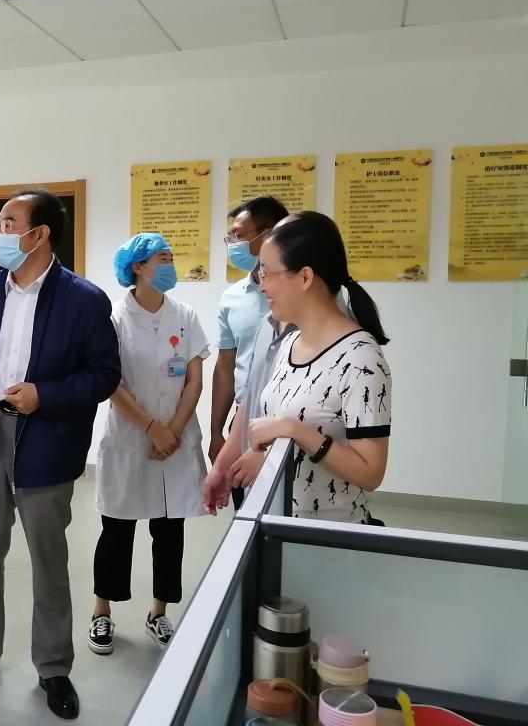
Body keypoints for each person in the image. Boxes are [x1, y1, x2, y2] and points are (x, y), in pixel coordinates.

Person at [0, 189, 120, 720]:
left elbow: (104, 375)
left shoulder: (84, 300)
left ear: (40, 234)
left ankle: (53, 667)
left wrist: (44, 395)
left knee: (49, 561)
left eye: (8, 223)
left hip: (47, 441)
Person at [88, 234, 209, 656]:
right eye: (163, 258)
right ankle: (102, 610)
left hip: (176, 438)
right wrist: (152, 429)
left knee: (169, 531)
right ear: (138, 267)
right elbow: (110, 382)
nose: (171, 264)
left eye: (172, 257)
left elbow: (194, 379)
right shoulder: (113, 318)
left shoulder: (185, 315)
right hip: (129, 438)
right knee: (116, 529)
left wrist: (172, 429)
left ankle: (158, 612)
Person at [246, 211, 392, 522]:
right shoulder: (290, 342)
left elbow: (370, 473)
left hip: (329, 534)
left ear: (305, 277)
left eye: (266, 272)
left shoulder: (360, 357)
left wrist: (294, 430)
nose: (261, 285)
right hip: (279, 522)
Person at [203, 214, 299, 512]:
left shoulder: (335, 336)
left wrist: (269, 453)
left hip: (292, 438)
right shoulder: (256, 317)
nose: (262, 284)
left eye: (238, 235)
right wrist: (220, 442)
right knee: (247, 516)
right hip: (248, 420)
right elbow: (231, 373)